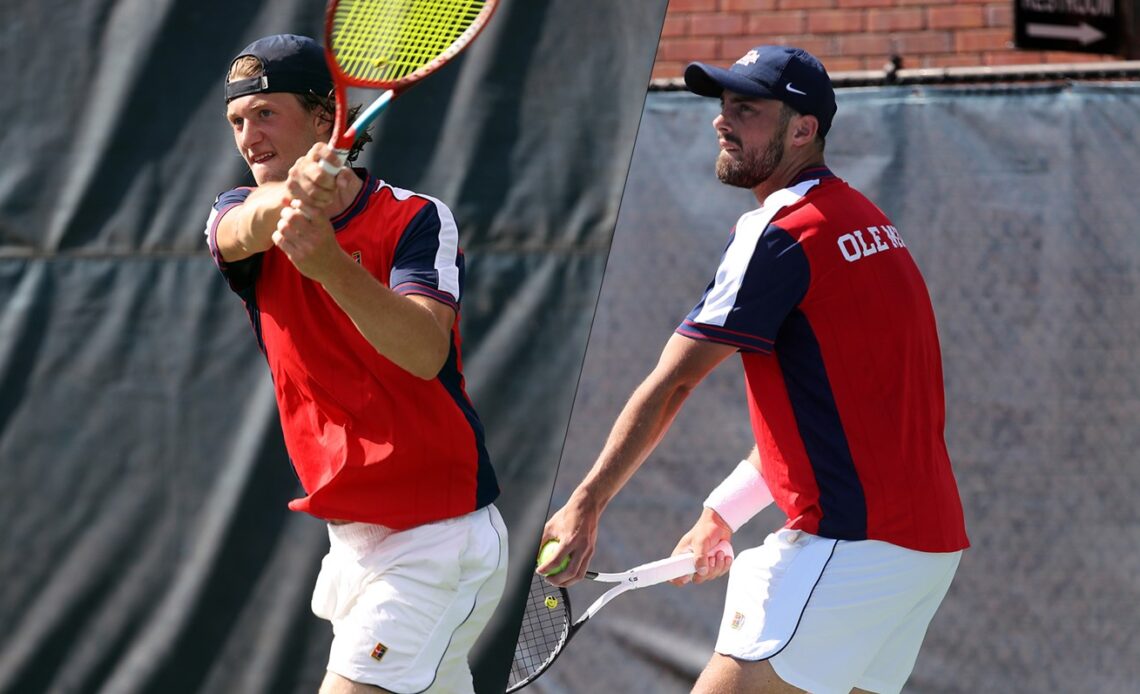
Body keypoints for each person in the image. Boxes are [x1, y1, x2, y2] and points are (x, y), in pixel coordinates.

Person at [539, 45, 968, 694]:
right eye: (723, 104)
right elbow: (828, 413)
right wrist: (722, 514)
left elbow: (676, 381)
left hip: (848, 548)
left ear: (803, 130)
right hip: (922, 554)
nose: (722, 120)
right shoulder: (870, 224)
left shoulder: (781, 232)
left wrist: (586, 502)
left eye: (747, 108)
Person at [204, 34, 508, 694]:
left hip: (437, 536)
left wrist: (332, 268)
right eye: (237, 121)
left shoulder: (418, 219)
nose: (249, 137)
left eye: (265, 113)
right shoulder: (235, 213)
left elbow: (426, 352)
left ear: (325, 118)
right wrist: (289, 202)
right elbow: (242, 227)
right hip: (354, 543)